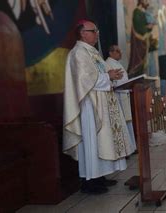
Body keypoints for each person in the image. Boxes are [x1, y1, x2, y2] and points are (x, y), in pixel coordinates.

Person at [63, 20, 134, 194]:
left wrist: (112, 76)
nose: (97, 34)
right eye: (93, 30)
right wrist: (107, 76)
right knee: (92, 141)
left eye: (97, 30)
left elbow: (99, 75)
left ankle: (99, 176)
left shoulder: (92, 52)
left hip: (101, 102)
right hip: (90, 107)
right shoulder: (78, 53)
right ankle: (89, 181)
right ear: (82, 33)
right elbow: (85, 80)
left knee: (101, 141)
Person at [106, 45, 137, 155]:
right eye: (117, 51)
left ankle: (132, 147)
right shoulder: (108, 64)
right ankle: (126, 150)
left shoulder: (117, 63)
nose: (120, 53)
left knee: (128, 122)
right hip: (118, 97)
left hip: (124, 94)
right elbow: (113, 82)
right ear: (111, 53)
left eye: (120, 50)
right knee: (122, 123)